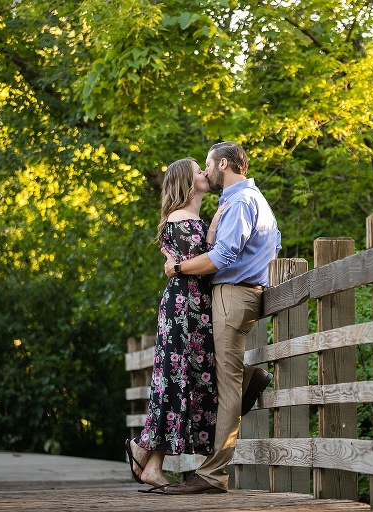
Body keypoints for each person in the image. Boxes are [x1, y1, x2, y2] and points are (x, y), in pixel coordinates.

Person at [159, 141, 281, 495]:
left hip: (233, 294)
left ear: (223, 164)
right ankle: (251, 378)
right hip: (236, 294)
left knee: (225, 385)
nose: (206, 172)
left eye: (208, 165)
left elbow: (223, 256)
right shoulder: (243, 200)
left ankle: (211, 475)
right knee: (222, 374)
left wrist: (177, 267)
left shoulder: (241, 201)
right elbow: (274, 245)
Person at [126, 157, 218, 493]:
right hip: (184, 307)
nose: (206, 173)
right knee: (175, 380)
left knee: (179, 381)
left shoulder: (192, 218)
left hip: (191, 307)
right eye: (199, 171)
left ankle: (151, 463)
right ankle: (143, 446)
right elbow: (202, 265)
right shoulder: (182, 218)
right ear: (186, 181)